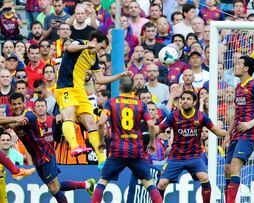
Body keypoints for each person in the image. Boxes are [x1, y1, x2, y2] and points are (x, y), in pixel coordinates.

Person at [54, 30, 132, 167]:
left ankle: (101, 160)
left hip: (80, 91)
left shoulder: (94, 58)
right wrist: (86, 46)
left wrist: (120, 75)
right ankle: (74, 146)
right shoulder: (79, 43)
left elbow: (100, 79)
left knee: (91, 122)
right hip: (65, 88)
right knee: (69, 115)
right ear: (94, 41)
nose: (101, 52)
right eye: (101, 47)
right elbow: (68, 48)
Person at [7, 93, 96, 202]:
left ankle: (86, 185)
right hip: (37, 158)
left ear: (24, 103)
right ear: (10, 105)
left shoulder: (28, 116)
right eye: (14, 104)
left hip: (45, 155)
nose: (17, 106)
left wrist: (4, 120)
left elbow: (12, 124)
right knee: (56, 187)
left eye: (19, 103)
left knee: (53, 189)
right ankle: (87, 184)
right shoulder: (14, 117)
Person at [92, 76, 162, 203]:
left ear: (119, 88)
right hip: (137, 151)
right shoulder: (141, 104)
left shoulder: (111, 103)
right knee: (149, 183)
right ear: (134, 89)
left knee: (103, 181)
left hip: (117, 150)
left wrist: (101, 141)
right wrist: (152, 143)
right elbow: (151, 125)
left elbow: (101, 123)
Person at [155, 90, 228, 203]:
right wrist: (147, 131)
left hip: (194, 156)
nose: (185, 101)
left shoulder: (201, 116)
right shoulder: (173, 116)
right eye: (183, 99)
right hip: (176, 157)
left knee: (204, 177)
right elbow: (158, 130)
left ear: (194, 102)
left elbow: (217, 131)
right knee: (161, 183)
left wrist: (231, 134)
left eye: (188, 99)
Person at [225, 55, 254, 203]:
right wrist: (228, 133)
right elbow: (237, 113)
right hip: (236, 133)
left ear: (246, 68)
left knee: (234, 166)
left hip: (249, 133)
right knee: (227, 169)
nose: (235, 66)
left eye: (239, 63)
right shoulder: (239, 87)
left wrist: (251, 123)